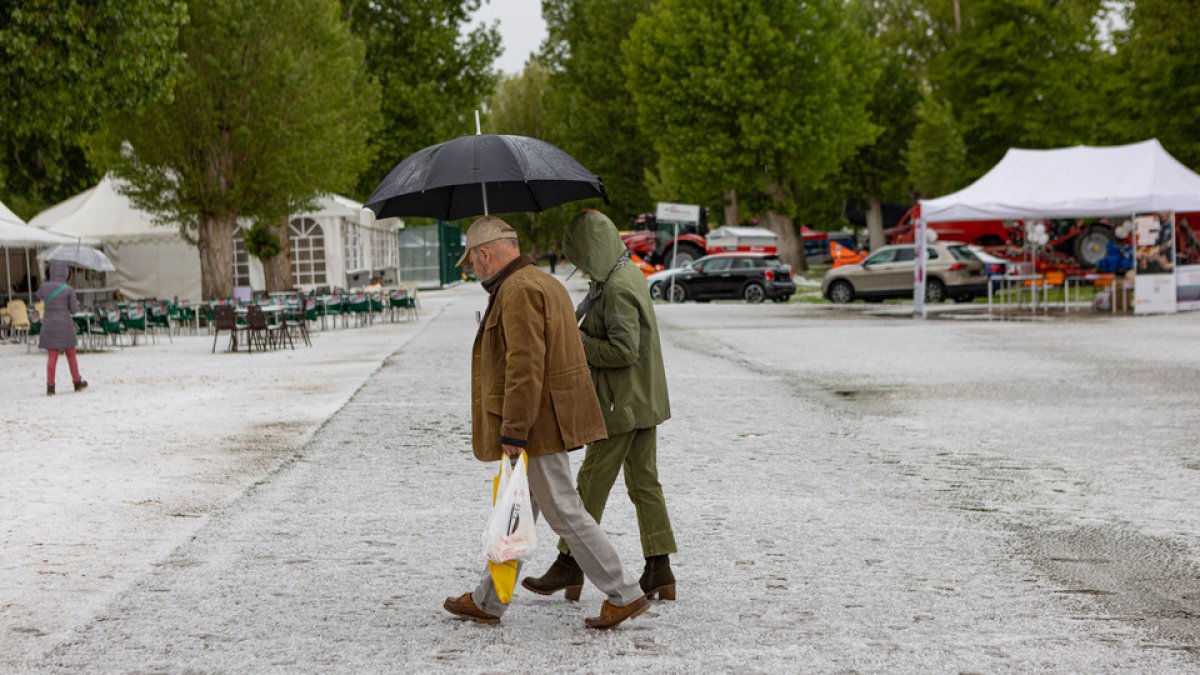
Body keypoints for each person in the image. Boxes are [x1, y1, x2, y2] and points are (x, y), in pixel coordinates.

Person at [442, 215, 650, 630]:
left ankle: (624, 592)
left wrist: (514, 429)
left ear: (486, 253)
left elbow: (525, 366)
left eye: (474, 262)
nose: (474, 270)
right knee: (518, 511)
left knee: (564, 511)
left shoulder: (517, 290)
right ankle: (488, 598)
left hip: (537, 423)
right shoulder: (539, 281)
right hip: (547, 417)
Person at [523, 210, 677, 603]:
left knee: (590, 482)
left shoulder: (617, 287)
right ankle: (659, 569)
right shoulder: (621, 276)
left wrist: (578, 343)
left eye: (578, 255)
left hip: (621, 403)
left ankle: (569, 562)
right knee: (644, 483)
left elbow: (624, 350)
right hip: (642, 399)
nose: (576, 264)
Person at [36, 261, 87, 396]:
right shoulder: (68, 289)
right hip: (65, 326)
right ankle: (77, 382)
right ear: (65, 273)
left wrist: (45, 282)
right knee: (71, 355)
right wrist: (75, 302)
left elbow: (39, 296)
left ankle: (50, 386)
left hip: (49, 326)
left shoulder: (44, 287)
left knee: (52, 356)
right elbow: (74, 311)